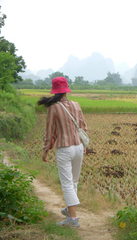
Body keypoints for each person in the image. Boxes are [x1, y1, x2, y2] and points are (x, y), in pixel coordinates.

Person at [38, 76, 88, 228]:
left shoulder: (53, 108)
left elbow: (50, 132)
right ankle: (69, 209)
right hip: (79, 147)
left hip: (64, 149)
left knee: (67, 184)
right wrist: (83, 147)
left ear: (54, 91)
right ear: (66, 90)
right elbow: (83, 127)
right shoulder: (76, 105)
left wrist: (46, 151)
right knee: (73, 182)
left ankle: (73, 219)